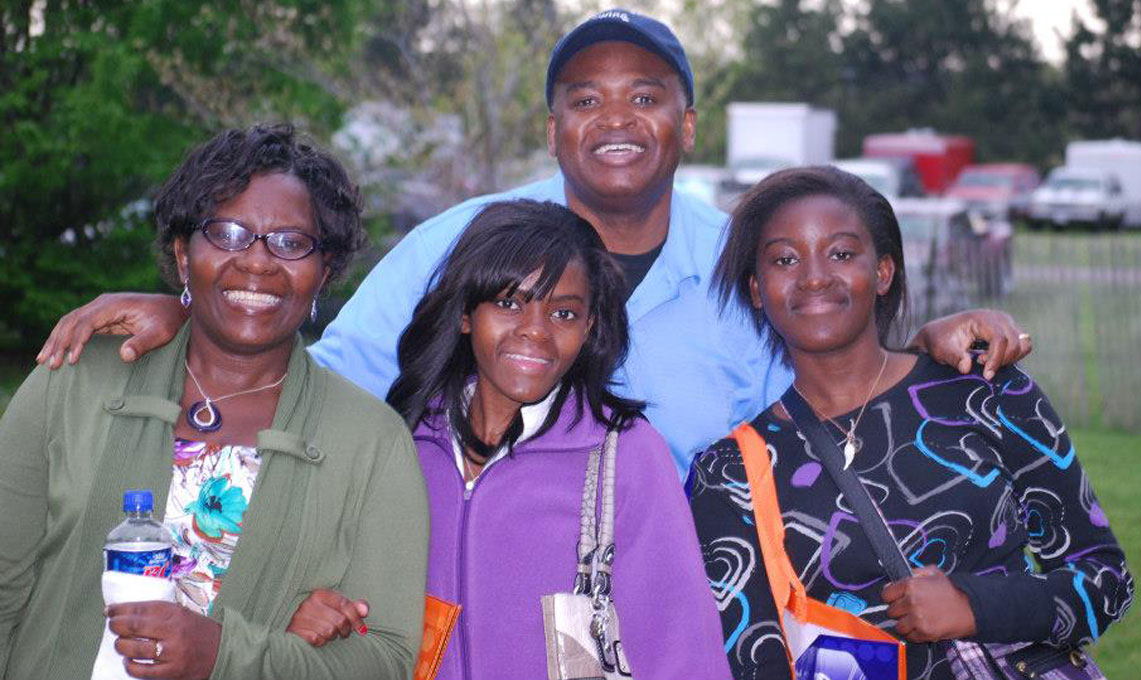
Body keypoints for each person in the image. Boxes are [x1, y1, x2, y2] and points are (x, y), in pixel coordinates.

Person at [35, 8, 1031, 475]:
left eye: (647, 97)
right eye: (585, 99)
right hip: (476, 604)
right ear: (553, 129)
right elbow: (326, 382)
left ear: (688, 124)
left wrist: (928, 342)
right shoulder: (459, 242)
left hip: (696, 617)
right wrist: (199, 320)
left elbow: (837, 390)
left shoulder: (745, 262)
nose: (616, 119)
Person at [0, 125, 429, 680]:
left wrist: (224, 654)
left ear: (323, 272)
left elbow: (387, 658)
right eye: (227, 233)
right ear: (184, 255)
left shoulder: (371, 441)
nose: (257, 261)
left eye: (291, 242)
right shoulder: (77, 380)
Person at [687, 167, 1133, 680]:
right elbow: (751, 659)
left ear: (883, 272)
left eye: (841, 253)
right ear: (757, 289)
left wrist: (974, 605)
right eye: (785, 259)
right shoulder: (728, 474)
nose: (814, 277)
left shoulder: (986, 393)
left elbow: (1108, 581)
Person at [286, 200, 732, 679]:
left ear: (589, 328)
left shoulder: (625, 453)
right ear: (465, 313)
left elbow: (683, 650)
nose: (535, 331)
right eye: (508, 303)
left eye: (563, 313)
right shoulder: (401, 441)